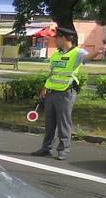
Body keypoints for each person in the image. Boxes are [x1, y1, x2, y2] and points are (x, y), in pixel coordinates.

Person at [31, 26, 84, 161]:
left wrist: (98, 52)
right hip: (51, 92)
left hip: (66, 93)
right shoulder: (56, 54)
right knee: (50, 123)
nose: (54, 40)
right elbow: (52, 73)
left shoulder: (77, 53)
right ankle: (46, 148)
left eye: (57, 38)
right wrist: (45, 87)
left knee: (63, 122)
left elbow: (88, 56)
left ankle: (63, 150)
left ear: (64, 38)